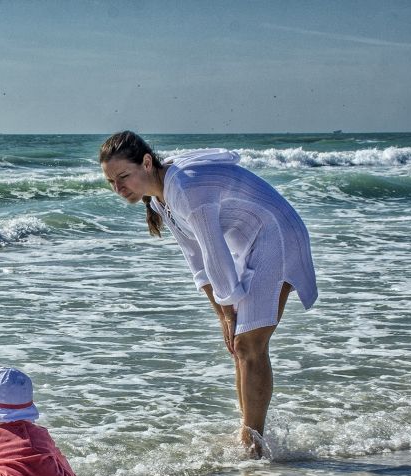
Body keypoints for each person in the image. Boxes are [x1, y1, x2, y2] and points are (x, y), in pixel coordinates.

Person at [99, 131, 318, 457]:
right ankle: (250, 434)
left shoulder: (185, 189)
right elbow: (197, 259)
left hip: (277, 234)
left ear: (146, 163)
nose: (118, 188)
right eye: (111, 182)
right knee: (238, 345)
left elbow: (215, 254)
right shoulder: (161, 199)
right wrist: (222, 315)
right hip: (254, 242)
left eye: (123, 177)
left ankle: (253, 445)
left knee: (249, 343)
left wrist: (229, 310)